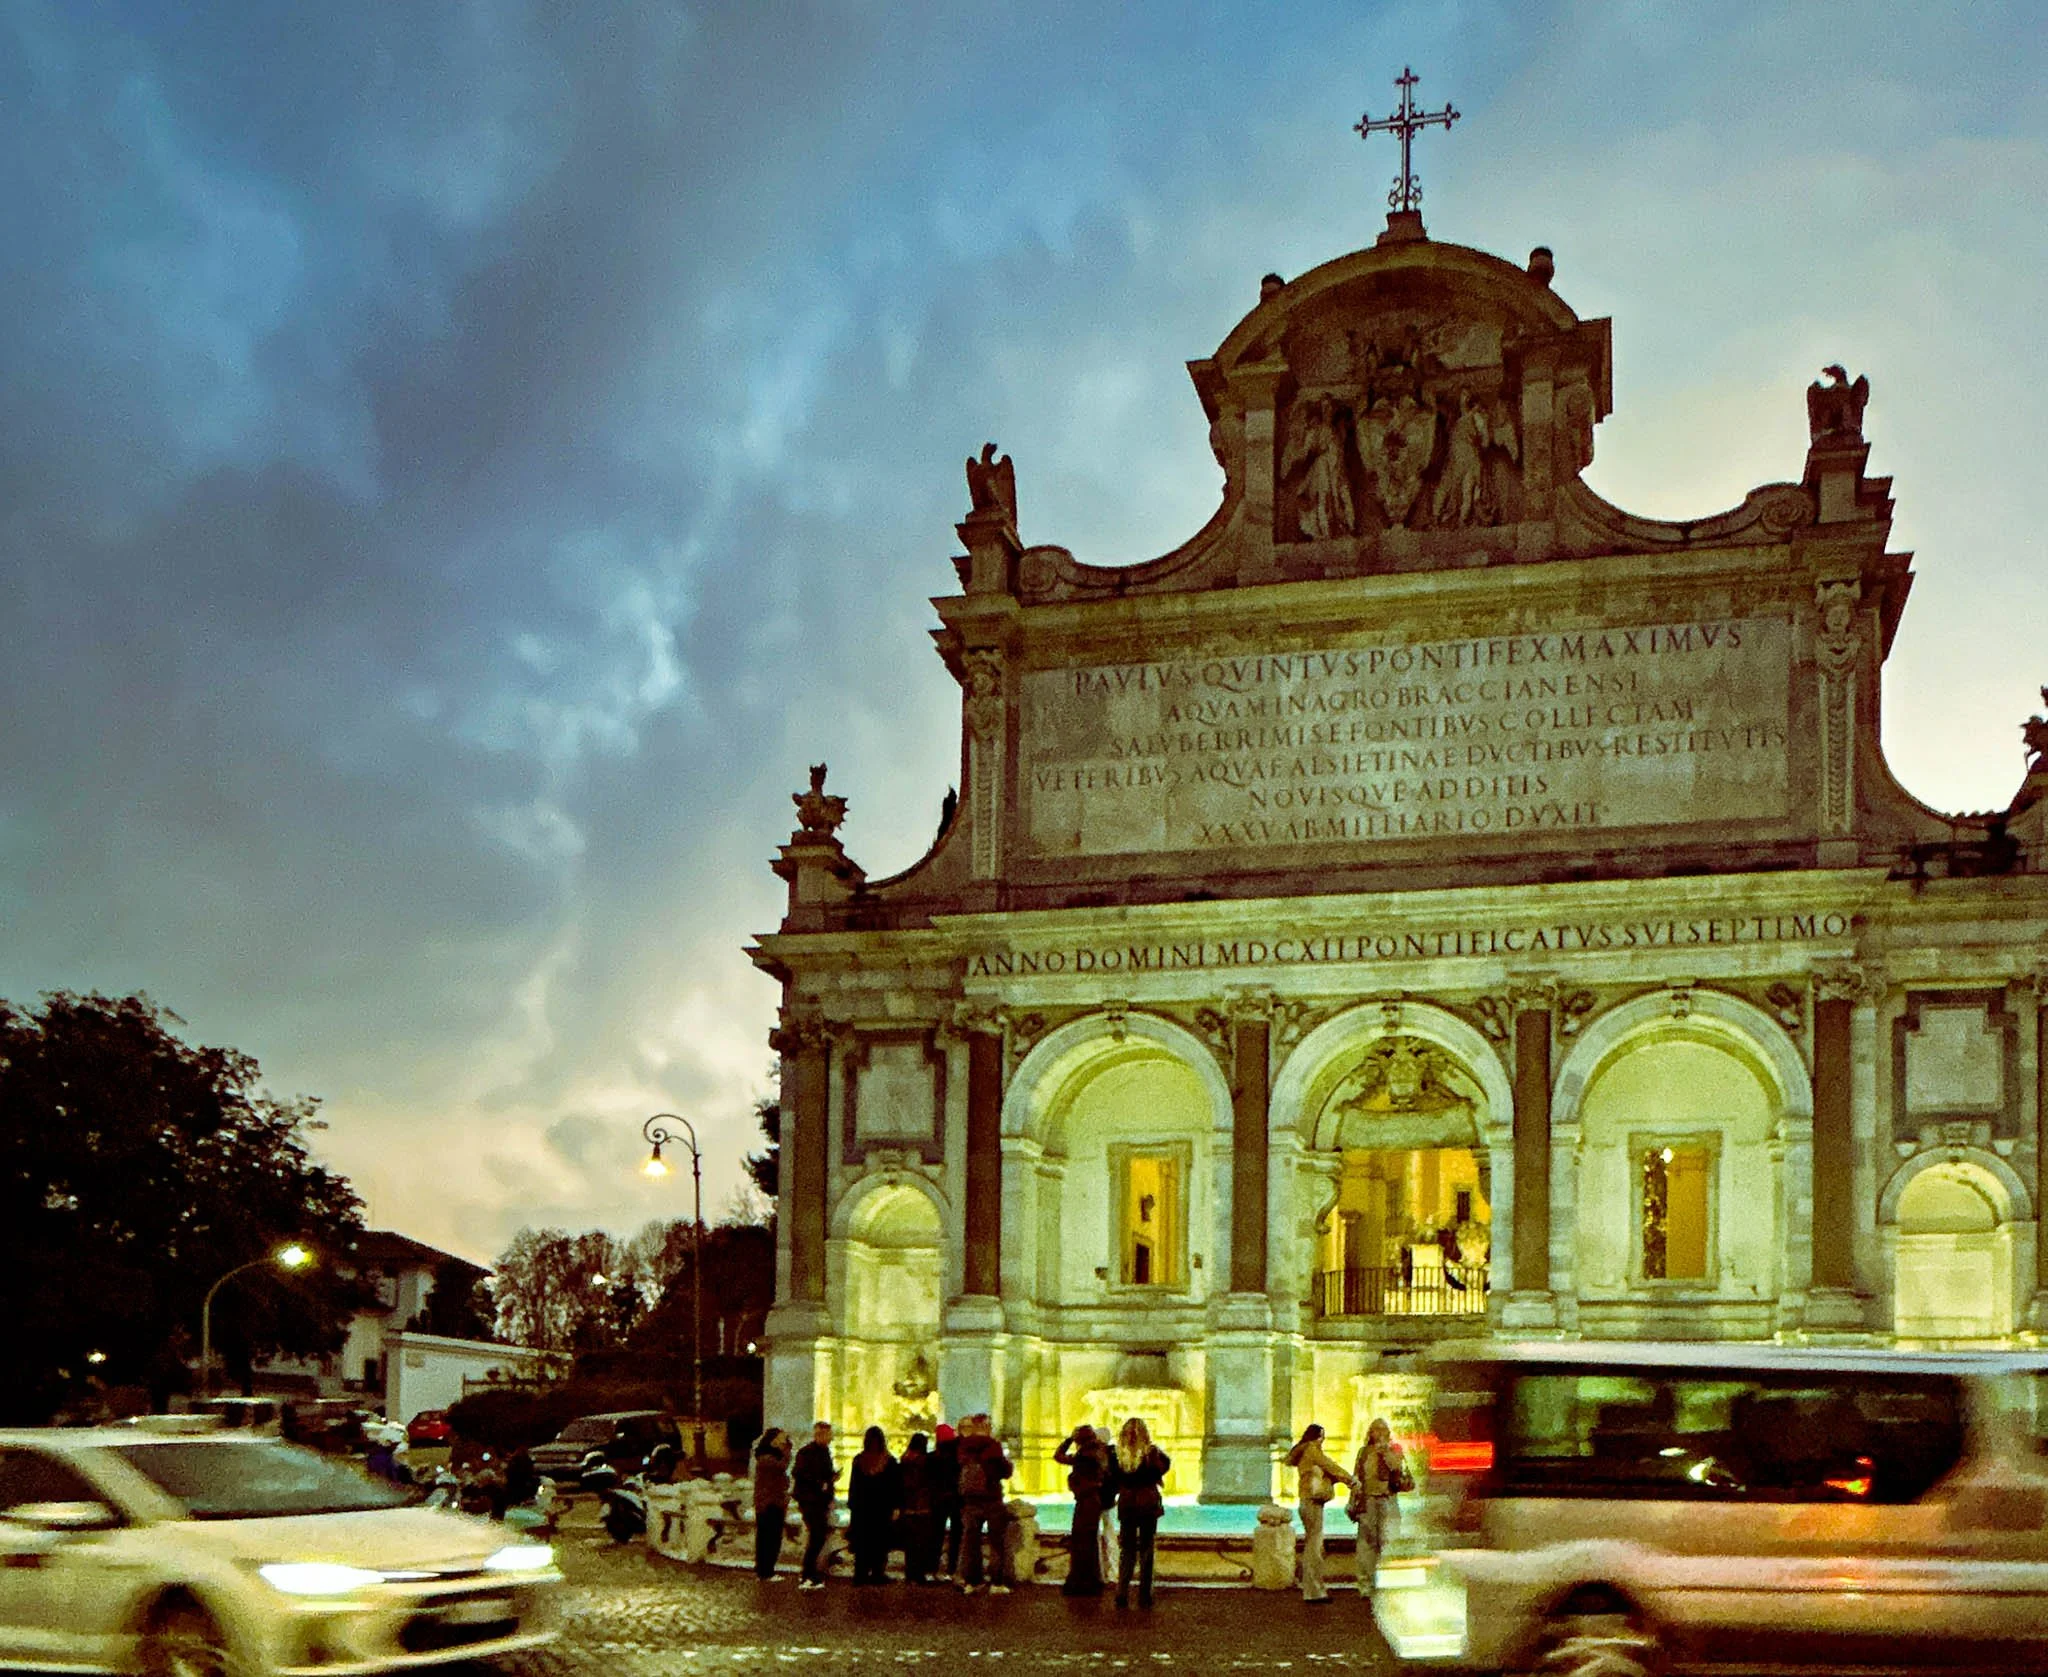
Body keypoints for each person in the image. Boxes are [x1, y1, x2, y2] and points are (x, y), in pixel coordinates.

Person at [1284, 1424, 1358, 1604]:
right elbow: (1330, 1466)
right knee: (1314, 1547)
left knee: (1313, 1544)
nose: (1322, 1441)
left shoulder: (1304, 1452)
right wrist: (1351, 1480)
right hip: (1312, 1502)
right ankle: (1313, 1591)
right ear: (1314, 1437)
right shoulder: (1312, 1450)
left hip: (1306, 1502)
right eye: (1321, 1437)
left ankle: (1313, 1588)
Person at [1109, 1416, 1170, 1609]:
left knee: (1126, 1549)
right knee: (1146, 1548)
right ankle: (1145, 1594)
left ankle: (1122, 1592)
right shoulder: (1152, 1453)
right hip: (1147, 1502)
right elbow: (1164, 1466)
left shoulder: (1115, 1454)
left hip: (1127, 1502)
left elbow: (1112, 1476)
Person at [1348, 1417, 1411, 1600]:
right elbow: (1357, 1476)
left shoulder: (1395, 1449)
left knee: (1388, 1540)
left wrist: (1385, 1452)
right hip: (1368, 1501)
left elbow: (1396, 1467)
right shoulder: (1363, 1452)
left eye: (1384, 1429)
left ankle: (1386, 1583)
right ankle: (1365, 1584)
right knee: (1366, 1543)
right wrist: (1353, 1501)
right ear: (1370, 1433)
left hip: (1388, 1499)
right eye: (1376, 1429)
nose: (1380, 1432)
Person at [953, 1413, 1014, 1594]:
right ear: (986, 1427)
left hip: (970, 1500)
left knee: (970, 1542)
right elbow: (1003, 1470)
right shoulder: (992, 1445)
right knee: (996, 1542)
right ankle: (996, 1582)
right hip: (991, 1498)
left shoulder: (963, 1446)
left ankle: (971, 1581)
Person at [1054, 1422, 1109, 1596]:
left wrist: (1068, 1439)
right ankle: (1092, 1580)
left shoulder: (1084, 1455)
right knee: (1090, 1541)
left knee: (1081, 1541)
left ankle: (1080, 1582)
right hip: (1094, 1500)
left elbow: (1058, 1456)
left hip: (1086, 1501)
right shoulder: (1100, 1451)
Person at [846, 1425, 901, 1585]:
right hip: (881, 1508)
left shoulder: (859, 1460)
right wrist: (896, 1506)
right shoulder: (889, 1461)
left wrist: (852, 1505)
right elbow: (894, 1486)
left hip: (862, 1508)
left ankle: (860, 1574)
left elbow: (853, 1485)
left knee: (862, 1542)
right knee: (880, 1542)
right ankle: (878, 1573)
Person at [792, 1421, 839, 1591]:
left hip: (819, 1499)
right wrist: (821, 1483)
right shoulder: (807, 1452)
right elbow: (799, 1473)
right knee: (817, 1536)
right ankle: (808, 1573)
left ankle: (810, 1572)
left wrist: (831, 1479)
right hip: (810, 1500)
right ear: (819, 1434)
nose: (831, 1438)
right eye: (828, 1435)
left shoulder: (824, 1452)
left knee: (818, 1536)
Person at [897, 1432, 938, 1584]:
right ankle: (919, 1574)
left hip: (908, 1507)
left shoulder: (904, 1461)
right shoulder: (927, 1462)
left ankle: (910, 1573)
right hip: (923, 1507)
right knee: (922, 1542)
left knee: (910, 1544)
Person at [752, 1428, 792, 1581]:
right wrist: (787, 1451)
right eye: (781, 1439)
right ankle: (766, 1571)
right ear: (773, 1441)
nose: (783, 1442)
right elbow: (782, 1466)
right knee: (769, 1538)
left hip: (771, 1501)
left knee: (768, 1537)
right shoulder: (767, 1458)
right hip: (770, 1502)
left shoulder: (766, 1456)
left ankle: (765, 1569)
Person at [931, 1423, 963, 1579]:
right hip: (956, 1498)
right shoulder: (959, 1455)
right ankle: (952, 1567)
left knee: (936, 1534)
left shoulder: (933, 1457)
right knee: (956, 1535)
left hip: (939, 1499)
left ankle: (933, 1567)